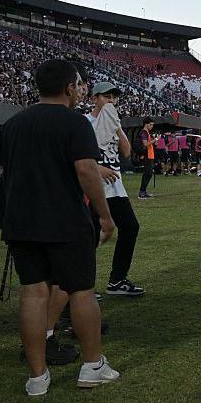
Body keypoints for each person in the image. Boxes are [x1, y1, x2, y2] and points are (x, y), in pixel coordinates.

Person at [0, 59, 120, 396]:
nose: (80, 91)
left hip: (21, 224)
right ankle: (92, 366)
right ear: (67, 88)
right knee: (80, 291)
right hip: (65, 222)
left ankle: (37, 378)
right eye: (78, 85)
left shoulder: (14, 124)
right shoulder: (74, 123)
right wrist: (105, 216)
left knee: (32, 294)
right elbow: (87, 171)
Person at [87, 82, 144, 297]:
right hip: (93, 185)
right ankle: (83, 286)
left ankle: (117, 280)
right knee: (90, 235)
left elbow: (127, 151)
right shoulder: (85, 121)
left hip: (115, 185)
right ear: (94, 98)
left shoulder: (113, 121)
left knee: (130, 227)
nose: (111, 100)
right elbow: (77, 156)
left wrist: (116, 124)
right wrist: (97, 168)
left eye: (113, 97)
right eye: (106, 96)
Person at [137, 117, 156, 199]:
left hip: (150, 155)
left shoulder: (147, 132)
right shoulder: (144, 132)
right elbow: (145, 144)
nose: (152, 126)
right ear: (146, 124)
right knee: (147, 174)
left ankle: (144, 191)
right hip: (147, 155)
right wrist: (155, 139)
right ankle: (142, 192)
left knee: (149, 174)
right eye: (151, 124)